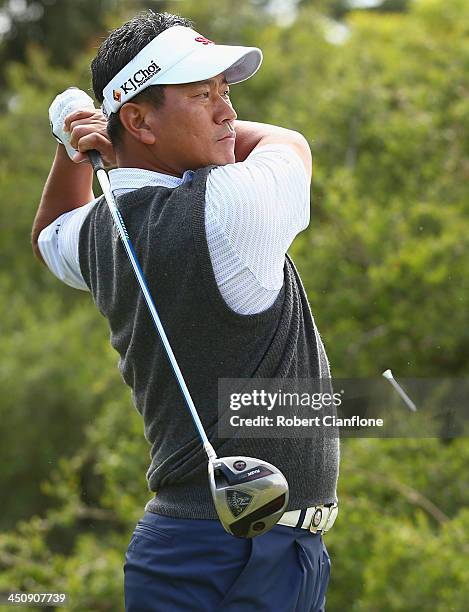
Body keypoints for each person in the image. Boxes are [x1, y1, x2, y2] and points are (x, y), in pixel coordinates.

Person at [31, 10, 339, 612]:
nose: (227, 112)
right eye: (203, 96)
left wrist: (77, 147)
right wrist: (97, 140)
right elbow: (288, 143)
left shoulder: (100, 230)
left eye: (226, 93)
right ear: (138, 120)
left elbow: (48, 233)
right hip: (248, 554)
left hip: (181, 545)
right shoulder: (227, 210)